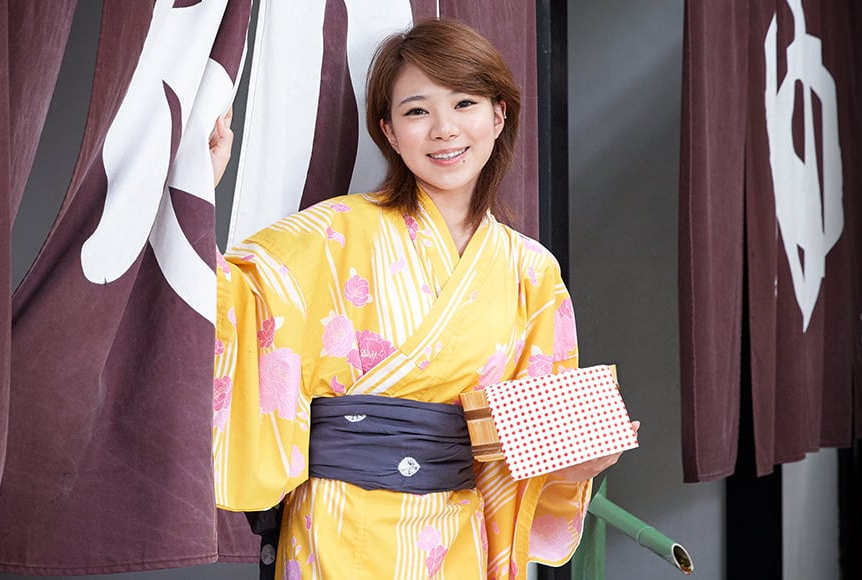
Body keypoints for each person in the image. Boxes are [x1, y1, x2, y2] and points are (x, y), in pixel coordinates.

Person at [207, 18, 637, 580]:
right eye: (416, 111)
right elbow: (221, 306)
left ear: (498, 114)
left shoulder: (530, 270)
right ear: (388, 130)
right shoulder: (332, 234)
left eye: (464, 103)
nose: (444, 130)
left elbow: (535, 449)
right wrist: (201, 186)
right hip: (337, 525)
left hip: (459, 533)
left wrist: (583, 458)